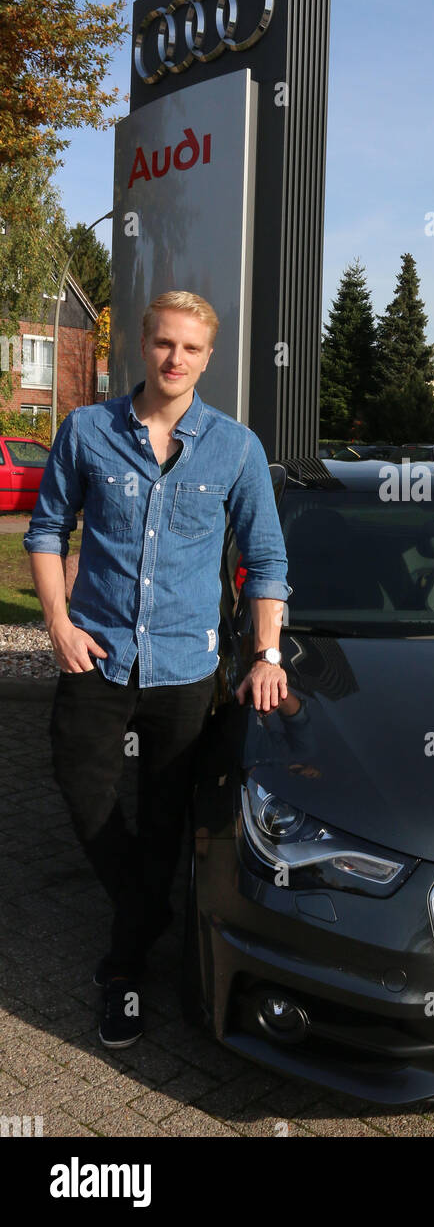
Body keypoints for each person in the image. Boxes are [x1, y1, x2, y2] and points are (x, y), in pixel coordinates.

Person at [23, 289, 300, 1049]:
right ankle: (150, 913)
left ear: (208, 358)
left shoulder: (235, 449)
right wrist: (57, 624)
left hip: (186, 670)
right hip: (98, 657)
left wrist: (267, 653)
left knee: (166, 818)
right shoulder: (86, 431)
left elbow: (267, 558)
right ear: (141, 347)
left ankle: (124, 965)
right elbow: (47, 530)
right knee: (83, 791)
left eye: (192, 348)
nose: (175, 359)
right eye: (164, 344)